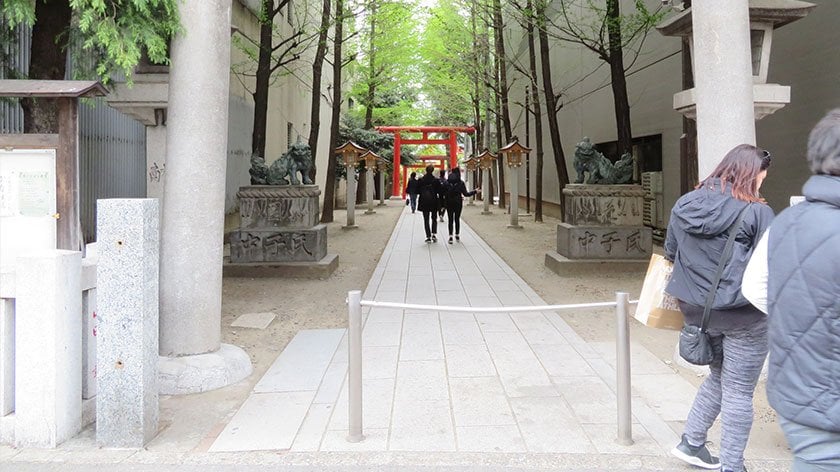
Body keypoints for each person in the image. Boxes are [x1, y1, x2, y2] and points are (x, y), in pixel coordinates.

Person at [664, 144, 774, 472]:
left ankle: (692, 443)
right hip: (745, 315)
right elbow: (771, 264)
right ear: (751, 174)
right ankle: (732, 466)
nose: (762, 184)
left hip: (697, 312)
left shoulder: (685, 203)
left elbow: (671, 251)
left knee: (719, 377)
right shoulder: (757, 212)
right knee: (739, 389)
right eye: (762, 177)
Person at [741, 109, 840, 471]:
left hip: (799, 396)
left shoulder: (784, 221)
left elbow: (754, 286)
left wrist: (802, 320)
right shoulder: (759, 213)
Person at [443, 168, 478, 244]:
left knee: (450, 219)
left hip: (449, 202)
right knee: (457, 219)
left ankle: (450, 236)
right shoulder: (461, 183)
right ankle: (457, 235)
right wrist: (475, 191)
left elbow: (443, 193)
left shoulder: (446, 182)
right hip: (458, 201)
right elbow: (466, 194)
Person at [417, 164, 443, 243]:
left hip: (424, 201)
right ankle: (434, 234)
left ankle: (428, 236)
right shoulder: (436, 180)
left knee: (426, 219)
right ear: (432, 170)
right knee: (434, 218)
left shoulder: (421, 180)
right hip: (434, 201)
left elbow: (417, 191)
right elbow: (440, 191)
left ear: (426, 170)